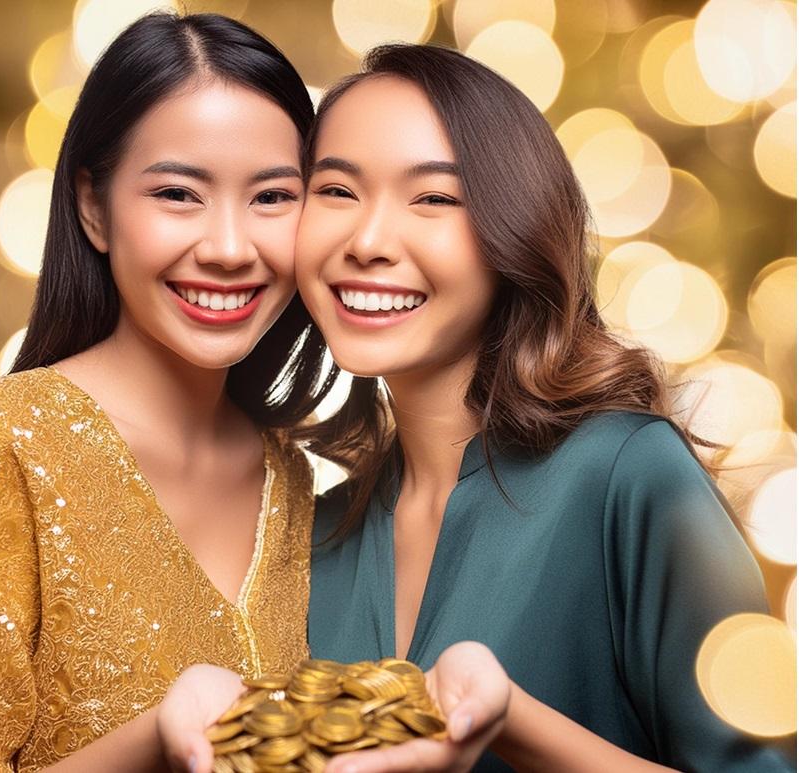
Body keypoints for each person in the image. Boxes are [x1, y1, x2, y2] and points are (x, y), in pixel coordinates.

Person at [0, 12, 338, 773]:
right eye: (177, 194)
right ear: (94, 207)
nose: (230, 248)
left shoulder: (293, 479)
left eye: (272, 198)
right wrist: (159, 731)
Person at [296, 44, 793, 772]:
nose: (368, 241)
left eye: (434, 198)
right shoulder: (313, 539)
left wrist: (513, 723)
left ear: (514, 229)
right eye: (336, 191)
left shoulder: (628, 474)